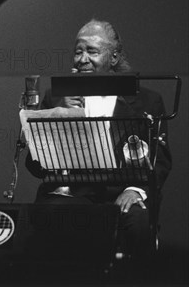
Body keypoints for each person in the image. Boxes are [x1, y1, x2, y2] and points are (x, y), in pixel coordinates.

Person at [25, 19, 172, 267]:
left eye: (92, 51)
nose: (82, 59)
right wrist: (64, 114)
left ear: (113, 57)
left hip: (121, 192)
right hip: (70, 194)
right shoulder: (56, 97)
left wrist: (134, 190)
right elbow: (35, 166)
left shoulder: (147, 101)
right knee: (50, 217)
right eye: (78, 51)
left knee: (136, 222)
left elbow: (161, 161)